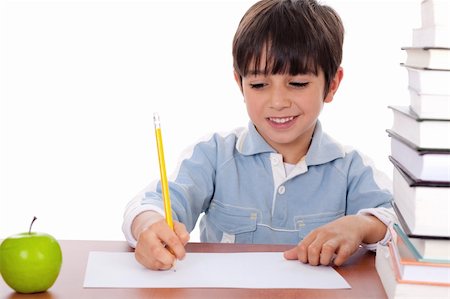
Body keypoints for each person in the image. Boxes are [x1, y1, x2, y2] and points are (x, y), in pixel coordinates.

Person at [122, 0, 396, 270]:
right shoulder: (214, 155)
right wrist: (148, 225)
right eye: (259, 84)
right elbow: (150, 203)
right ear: (239, 84)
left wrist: (362, 225)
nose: (277, 101)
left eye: (298, 83)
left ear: (332, 84)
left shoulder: (351, 168)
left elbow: (399, 222)